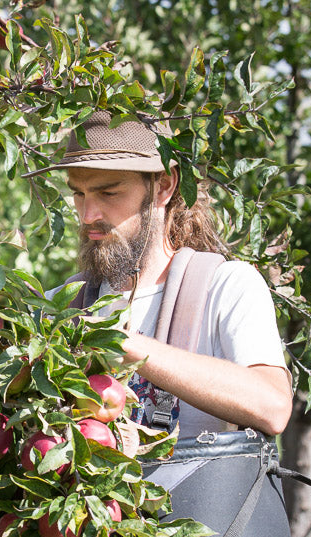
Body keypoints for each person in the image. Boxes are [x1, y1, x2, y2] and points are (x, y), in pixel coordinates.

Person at [27, 111, 293, 438]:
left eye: (108, 193)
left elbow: (273, 407)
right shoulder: (59, 308)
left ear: (164, 186)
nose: (87, 215)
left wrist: (129, 347)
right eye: (78, 193)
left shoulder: (226, 288)